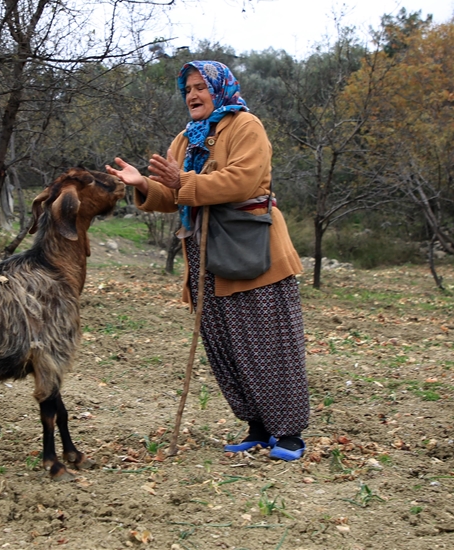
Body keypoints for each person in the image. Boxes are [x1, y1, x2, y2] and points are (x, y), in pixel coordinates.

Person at [106, 60, 310, 461]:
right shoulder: (185, 139)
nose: (193, 95)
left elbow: (243, 181)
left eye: (201, 87)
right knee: (225, 345)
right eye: (187, 89)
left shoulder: (246, 126)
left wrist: (182, 181)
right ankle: (257, 427)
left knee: (267, 344)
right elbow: (173, 196)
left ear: (220, 89)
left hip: (252, 252)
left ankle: (288, 434)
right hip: (204, 256)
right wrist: (144, 183)